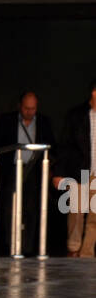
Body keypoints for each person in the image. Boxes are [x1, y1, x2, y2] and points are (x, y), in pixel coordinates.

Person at [0, 90, 57, 256]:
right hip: (12, 169)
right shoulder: (6, 120)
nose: (29, 112)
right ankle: (10, 245)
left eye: (33, 108)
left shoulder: (44, 121)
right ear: (19, 106)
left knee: (31, 208)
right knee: (9, 206)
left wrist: (52, 169)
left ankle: (28, 247)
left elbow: (52, 146)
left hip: (34, 170)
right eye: (26, 108)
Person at [55, 81, 96, 257]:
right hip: (79, 171)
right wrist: (58, 173)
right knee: (76, 214)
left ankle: (86, 254)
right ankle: (73, 250)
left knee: (94, 218)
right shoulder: (77, 115)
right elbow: (65, 146)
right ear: (93, 93)